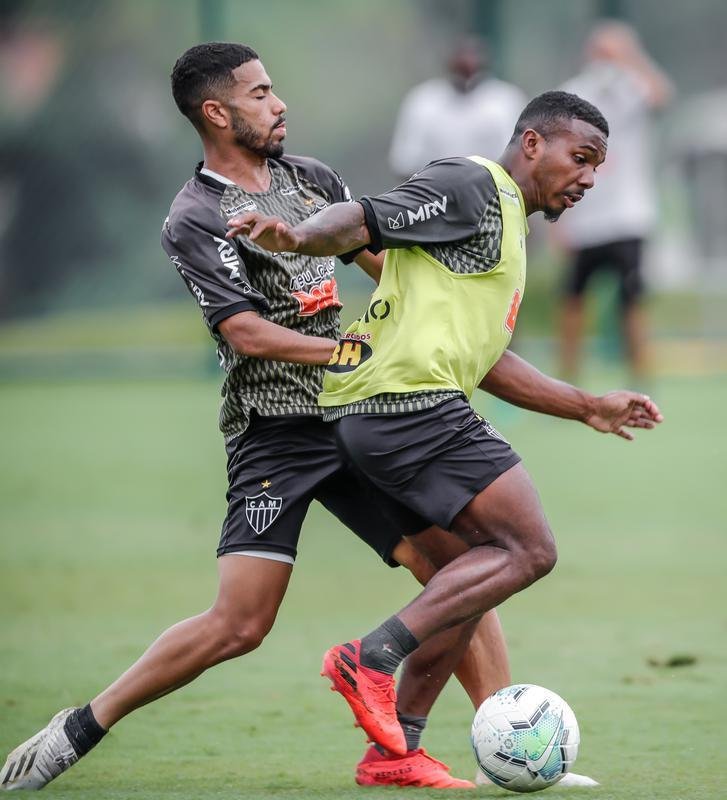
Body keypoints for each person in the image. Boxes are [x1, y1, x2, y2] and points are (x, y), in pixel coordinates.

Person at [0, 41, 520, 793]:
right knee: (240, 625)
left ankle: (504, 736)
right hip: (274, 432)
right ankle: (83, 725)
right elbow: (242, 331)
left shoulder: (310, 178)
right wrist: (341, 351)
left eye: (275, 91)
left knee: (459, 568)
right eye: (261, 92)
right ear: (217, 112)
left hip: (357, 415)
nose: (279, 104)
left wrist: (439, 306)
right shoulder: (195, 216)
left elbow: (384, 266)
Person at [224, 90, 664, 764]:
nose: (586, 178)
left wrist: (585, 405)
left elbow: (485, 359)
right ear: (530, 145)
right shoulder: (474, 184)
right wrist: (299, 237)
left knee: (467, 577)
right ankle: (368, 658)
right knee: (527, 549)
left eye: (597, 168)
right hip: (406, 405)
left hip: (384, 409)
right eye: (578, 158)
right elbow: (364, 216)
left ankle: (397, 752)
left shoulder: (505, 224)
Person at [555, 20, 673, 383]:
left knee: (632, 300)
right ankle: (567, 381)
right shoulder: (572, 95)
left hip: (627, 217)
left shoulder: (632, 88)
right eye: (601, 51)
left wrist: (630, 55)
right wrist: (558, 218)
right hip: (584, 219)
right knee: (572, 300)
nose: (605, 59)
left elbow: (662, 95)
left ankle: (641, 379)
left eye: (612, 51)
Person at [388, 36, 526, 180]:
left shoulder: (506, 101)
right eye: (462, 69)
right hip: (433, 194)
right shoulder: (423, 101)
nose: (468, 71)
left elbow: (518, 163)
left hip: (493, 194)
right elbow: (404, 164)